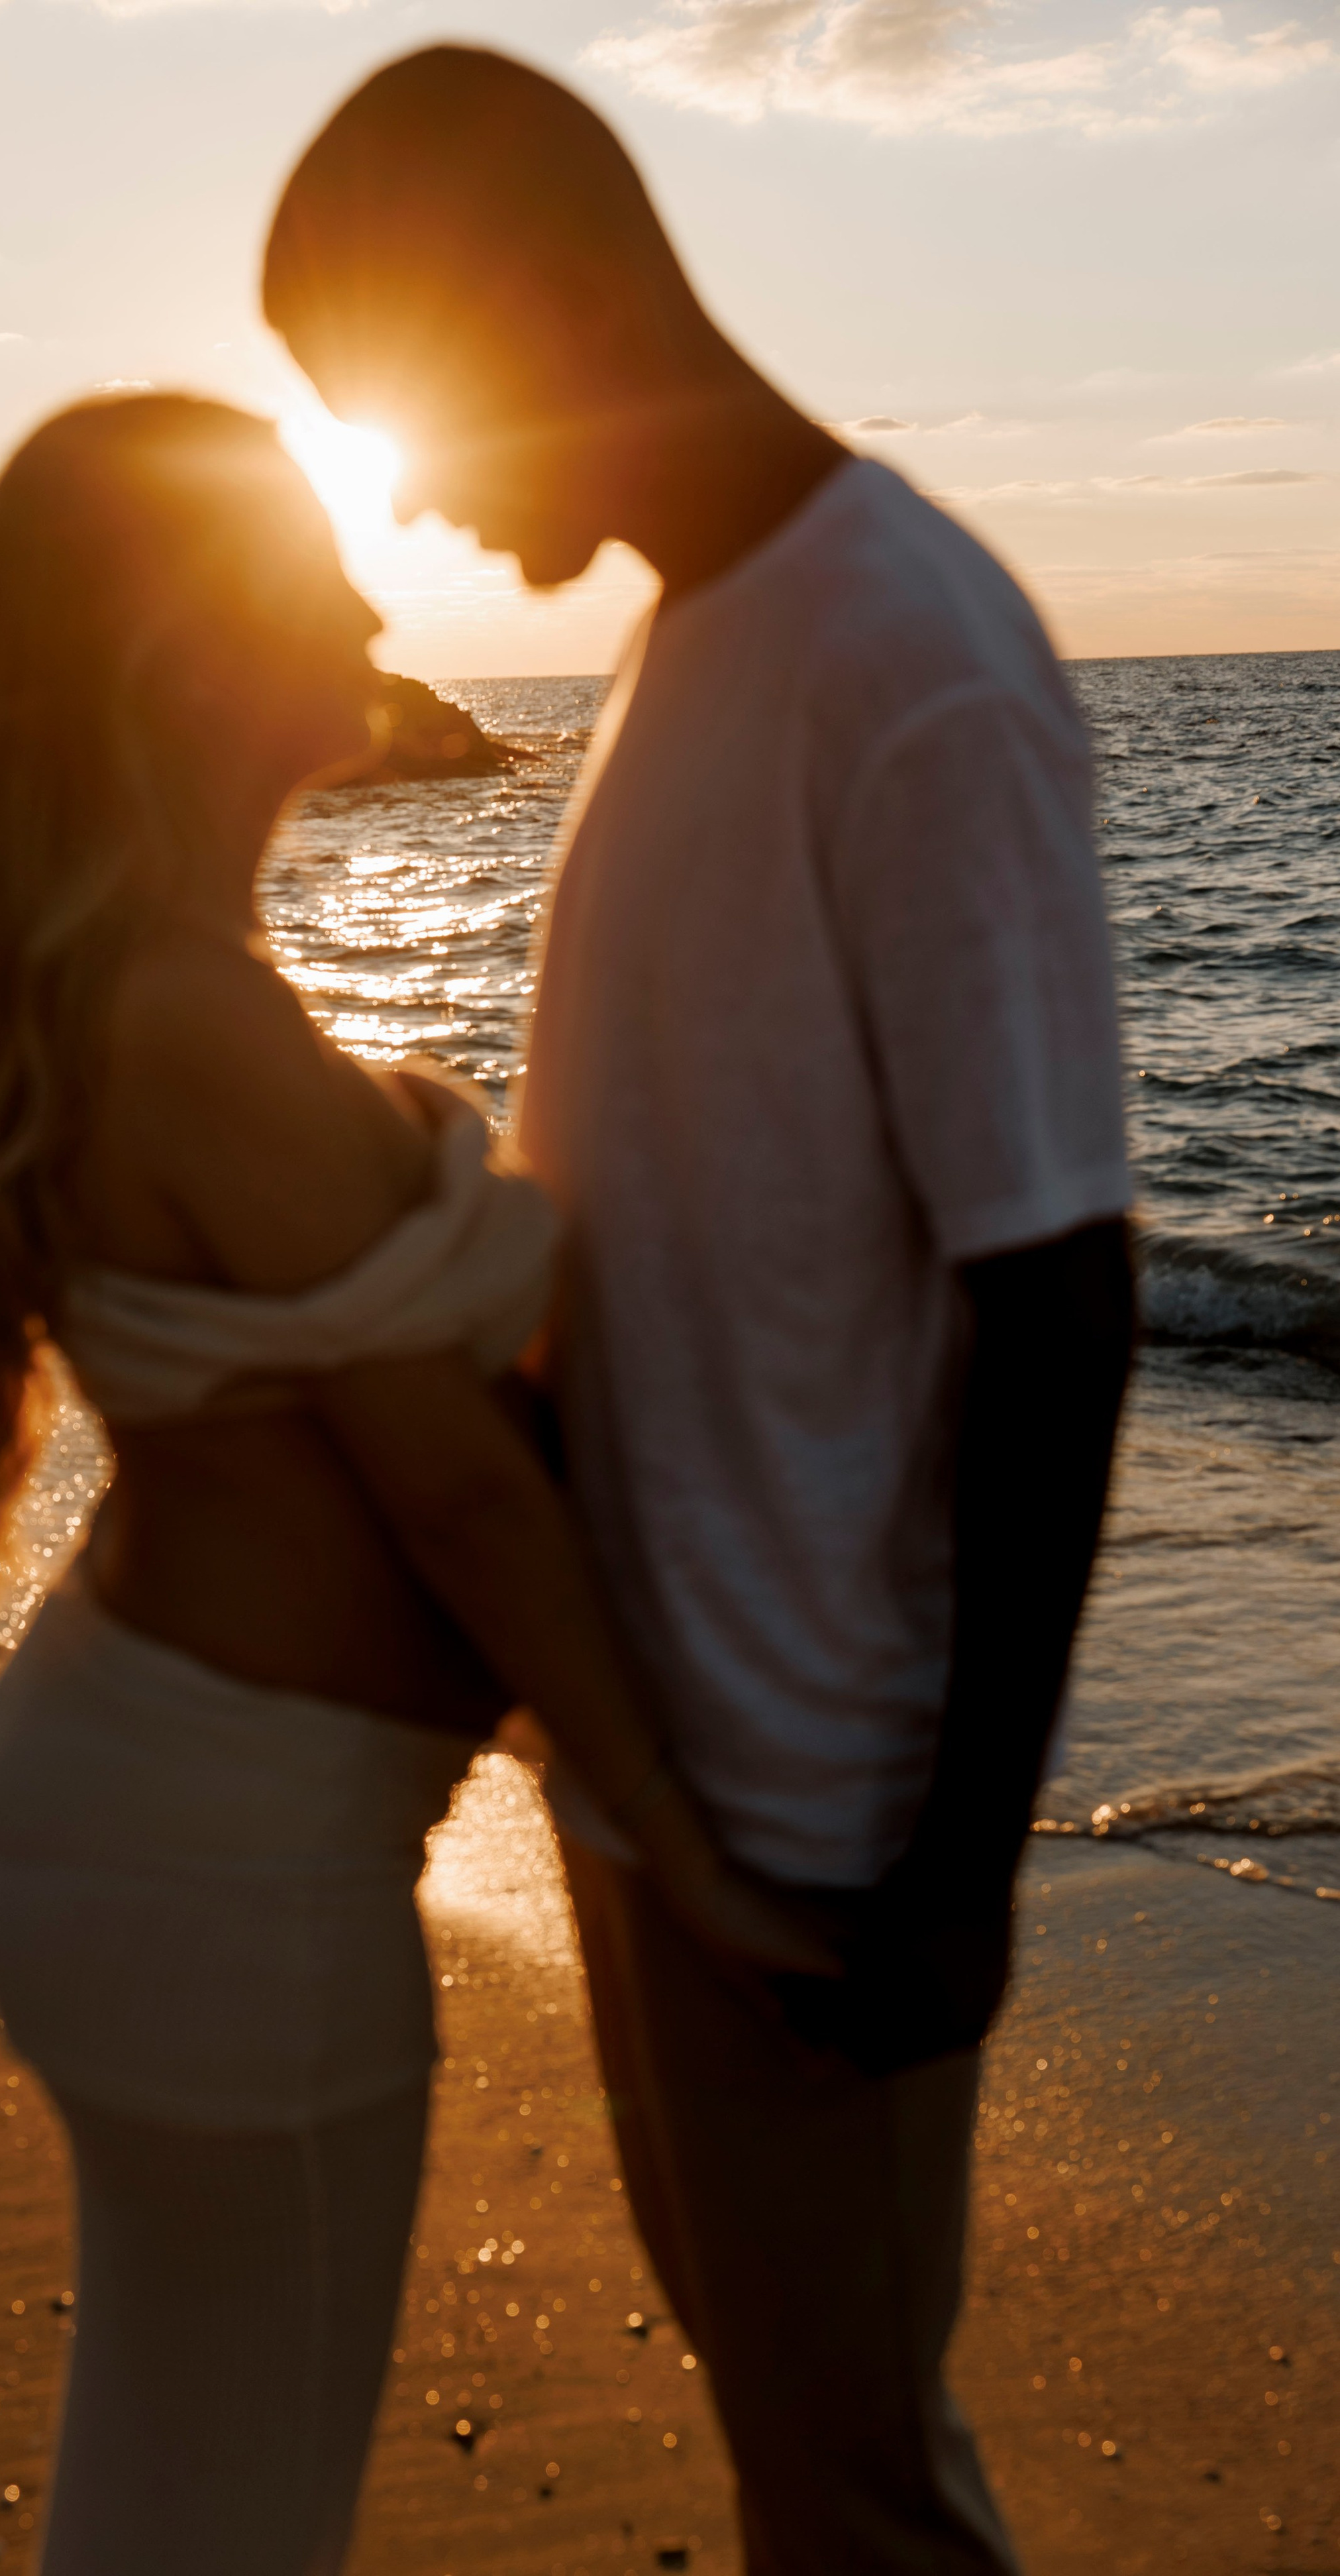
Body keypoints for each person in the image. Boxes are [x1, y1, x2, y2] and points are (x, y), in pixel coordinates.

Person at [265, 50, 1136, 2576]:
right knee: (806, 2466)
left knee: (864, 2499)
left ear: (545, 299)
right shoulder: (691, 646)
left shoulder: (910, 657)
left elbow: (1057, 1288)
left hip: (826, 1816)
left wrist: (960, 1864)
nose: (409, 496)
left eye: (410, 417)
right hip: (670, 1775)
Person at [0, 392, 833, 2576]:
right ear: (173, 655)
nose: (361, 594)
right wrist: (691, 1859)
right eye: (299, 565)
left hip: (174, 1828)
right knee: (229, 2510)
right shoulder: (184, 1020)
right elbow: (467, 1504)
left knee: (181, 2479)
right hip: (221, 1871)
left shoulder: (164, 992)